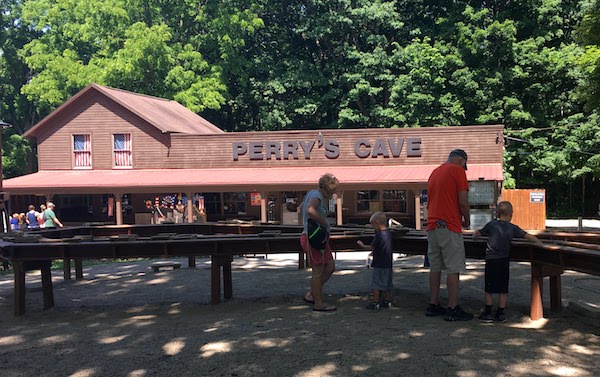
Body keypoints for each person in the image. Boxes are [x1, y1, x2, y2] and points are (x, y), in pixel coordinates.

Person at [473, 201, 542, 322]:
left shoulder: (491, 225)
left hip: (491, 260)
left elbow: (478, 234)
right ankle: (500, 313)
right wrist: (540, 243)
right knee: (503, 288)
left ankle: (488, 312)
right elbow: (528, 236)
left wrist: (475, 232)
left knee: (489, 287)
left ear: (497, 213)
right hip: (503, 260)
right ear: (511, 214)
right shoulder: (513, 228)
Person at [425, 149, 473, 321]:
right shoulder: (457, 171)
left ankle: (433, 304)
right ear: (461, 160)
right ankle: (453, 307)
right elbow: (462, 201)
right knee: (453, 267)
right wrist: (467, 220)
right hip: (449, 224)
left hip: (432, 224)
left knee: (435, 266)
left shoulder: (435, 172)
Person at [301, 173, 339, 312]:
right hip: (313, 238)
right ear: (328, 189)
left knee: (329, 266)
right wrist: (323, 223)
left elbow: (301, 208)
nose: (333, 194)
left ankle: (312, 294)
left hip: (316, 237)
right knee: (318, 271)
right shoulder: (317, 197)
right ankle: (318, 303)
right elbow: (309, 210)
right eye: (333, 191)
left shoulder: (312, 194)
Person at [357, 212, 394, 309]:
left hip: (379, 263)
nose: (373, 227)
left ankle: (375, 302)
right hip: (388, 263)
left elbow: (372, 247)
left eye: (373, 225)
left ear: (377, 223)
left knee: (376, 284)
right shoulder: (389, 234)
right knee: (387, 283)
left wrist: (362, 245)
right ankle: (387, 301)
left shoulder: (379, 236)